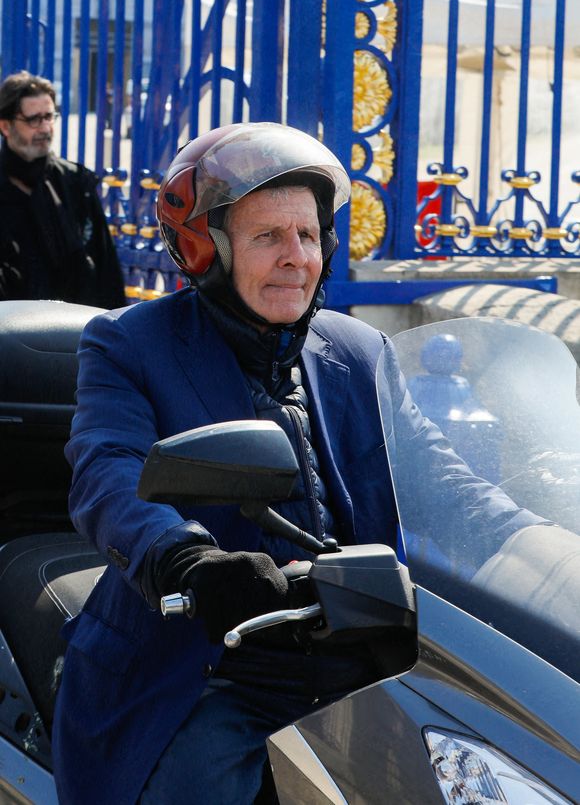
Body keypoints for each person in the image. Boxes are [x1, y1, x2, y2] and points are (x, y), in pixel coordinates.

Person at [52, 122, 544, 805]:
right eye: (267, 237)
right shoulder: (130, 345)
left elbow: (444, 484)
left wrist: (542, 547)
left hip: (358, 653)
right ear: (208, 251)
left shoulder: (361, 351)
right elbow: (108, 472)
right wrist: (187, 559)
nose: (295, 257)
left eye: (308, 236)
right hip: (205, 666)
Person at [0, 71, 125, 308]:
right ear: (5, 126)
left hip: (73, 332)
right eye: (33, 119)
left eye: (49, 117)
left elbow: (105, 265)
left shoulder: (74, 183)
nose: (45, 128)